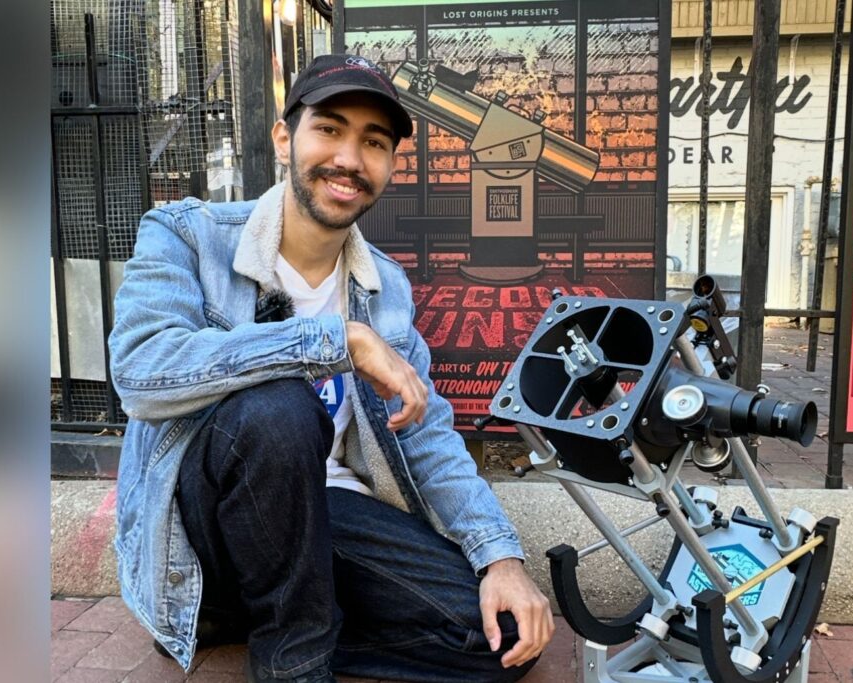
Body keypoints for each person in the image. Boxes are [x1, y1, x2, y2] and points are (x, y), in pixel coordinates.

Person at [108, 54, 553, 683]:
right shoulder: (188, 235)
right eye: (330, 129)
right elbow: (140, 369)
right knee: (281, 408)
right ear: (286, 138)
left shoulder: (386, 289)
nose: (349, 158)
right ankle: (293, 661)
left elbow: (426, 437)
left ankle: (294, 630)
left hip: (322, 513)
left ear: (391, 166)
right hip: (212, 538)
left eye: (374, 142)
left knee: (502, 639)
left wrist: (500, 558)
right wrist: (332, 341)